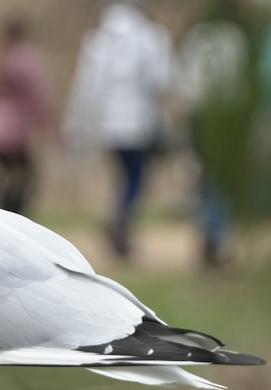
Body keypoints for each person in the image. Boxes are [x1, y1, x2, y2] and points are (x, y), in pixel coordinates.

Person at [64, 1, 175, 259]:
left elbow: (86, 86)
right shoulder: (150, 37)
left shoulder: (98, 40)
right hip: (138, 123)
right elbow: (161, 80)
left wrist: (79, 123)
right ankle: (120, 222)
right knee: (136, 178)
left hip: (108, 125)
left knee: (123, 177)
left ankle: (121, 229)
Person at [177, 2, 251, 267]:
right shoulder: (235, 38)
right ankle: (215, 237)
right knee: (221, 179)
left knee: (205, 176)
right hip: (225, 115)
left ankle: (209, 235)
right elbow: (240, 86)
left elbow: (186, 85)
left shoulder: (198, 37)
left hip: (200, 115)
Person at [0, 14, 58, 217]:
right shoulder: (24, 58)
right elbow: (37, 96)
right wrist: (51, 125)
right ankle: (12, 219)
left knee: (5, 180)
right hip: (13, 131)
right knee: (27, 178)